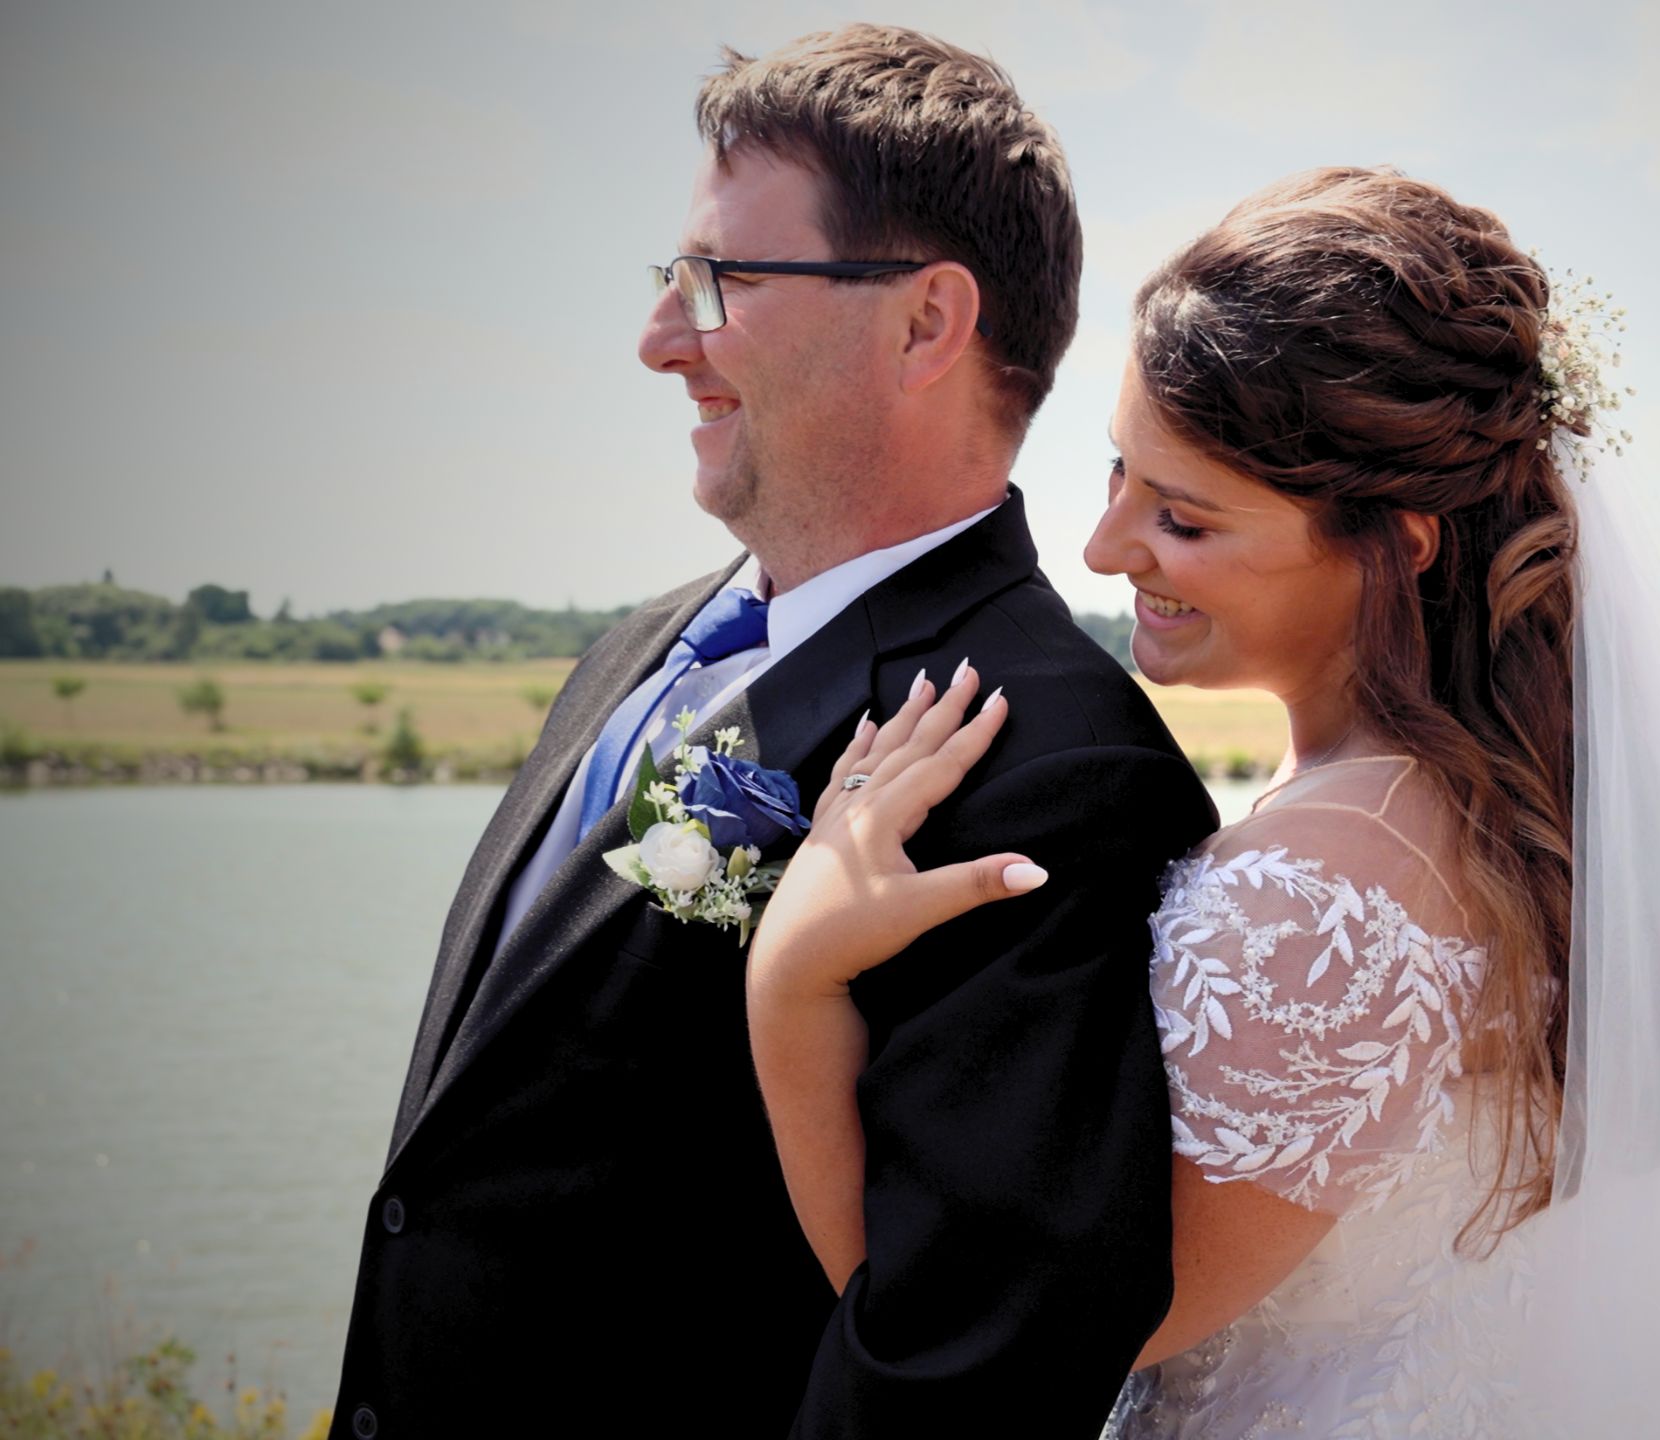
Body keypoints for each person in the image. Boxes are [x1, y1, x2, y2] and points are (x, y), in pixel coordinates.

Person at [751, 167, 1660, 1436]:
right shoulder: (1491, 798)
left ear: (1396, 545)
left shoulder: (1329, 891)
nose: (1103, 548)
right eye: (1117, 474)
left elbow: (1020, 1337)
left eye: (1186, 519)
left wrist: (794, 988)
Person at [328, 26, 1215, 1439]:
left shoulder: (1057, 766)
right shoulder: (636, 648)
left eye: (720, 281)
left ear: (926, 323)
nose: (658, 340)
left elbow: (959, 1369)